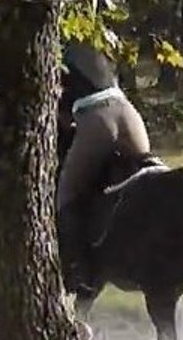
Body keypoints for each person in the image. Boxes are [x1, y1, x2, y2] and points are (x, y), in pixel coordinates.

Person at [57, 40, 153, 295]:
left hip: (97, 118)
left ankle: (78, 271)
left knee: (65, 196)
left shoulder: (53, 50)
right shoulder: (96, 40)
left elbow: (58, 114)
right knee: (147, 173)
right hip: (129, 113)